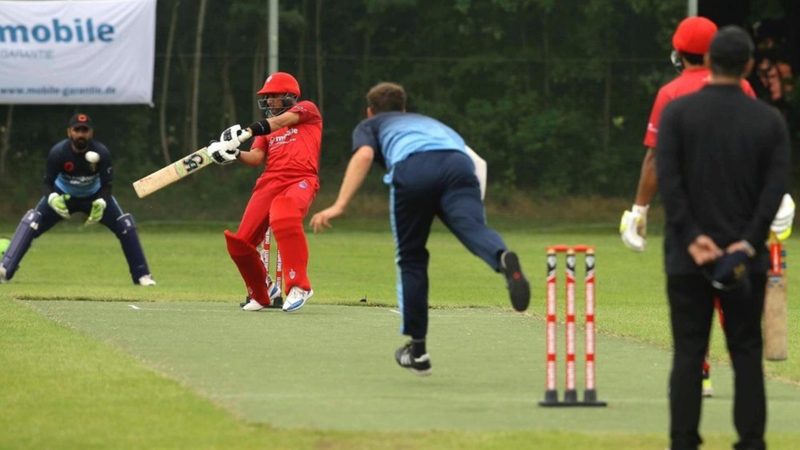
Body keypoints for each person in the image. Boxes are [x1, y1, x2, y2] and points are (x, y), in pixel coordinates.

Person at [309, 82, 530, 376]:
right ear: (403, 108)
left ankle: (418, 350)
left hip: (414, 167)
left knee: (411, 258)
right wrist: (471, 208)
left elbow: (363, 156)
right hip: (459, 165)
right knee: (474, 230)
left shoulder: (371, 124)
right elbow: (477, 161)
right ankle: (502, 258)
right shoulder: (429, 122)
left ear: (370, 111)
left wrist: (339, 205)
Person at [656, 26, 790, 450]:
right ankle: (751, 440)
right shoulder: (768, 120)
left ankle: (683, 441)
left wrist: (693, 236)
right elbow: (774, 189)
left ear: (710, 61)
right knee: (746, 350)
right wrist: (747, 242)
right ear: (748, 66)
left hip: (687, 256)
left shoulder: (678, 114)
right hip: (744, 260)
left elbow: (669, 182)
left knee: (689, 351)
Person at [619, 16, 759, 397]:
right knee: (735, 296)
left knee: (694, 303)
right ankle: (747, 379)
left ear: (678, 53)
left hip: (690, 217)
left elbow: (655, 160)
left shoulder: (671, 93)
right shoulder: (742, 88)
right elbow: (758, 145)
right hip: (737, 212)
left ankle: (700, 375)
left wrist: (639, 210)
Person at [206, 71, 321, 313]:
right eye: (266, 97)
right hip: (269, 182)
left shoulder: (307, 110)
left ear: (288, 95)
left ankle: (299, 286)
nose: (268, 101)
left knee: (284, 215)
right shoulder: (266, 128)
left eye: (272, 96)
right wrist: (234, 153)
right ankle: (264, 291)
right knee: (240, 243)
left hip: (300, 179)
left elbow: (280, 122)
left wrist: (246, 132)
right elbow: (256, 157)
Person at [0, 113, 156, 286]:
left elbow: (107, 185)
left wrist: (101, 201)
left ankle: (143, 276)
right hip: (62, 196)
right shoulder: (58, 153)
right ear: (69, 132)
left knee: (124, 225)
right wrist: (52, 198)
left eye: (85, 130)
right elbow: (47, 183)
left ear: (91, 133)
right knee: (32, 220)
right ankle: (5, 269)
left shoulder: (102, 153)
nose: (81, 134)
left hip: (94, 197)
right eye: (77, 130)